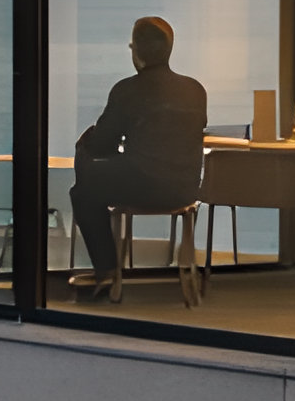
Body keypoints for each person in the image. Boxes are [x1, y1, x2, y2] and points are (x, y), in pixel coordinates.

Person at [68, 17, 207, 297]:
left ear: (137, 52)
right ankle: (109, 271)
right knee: (95, 180)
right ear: (169, 49)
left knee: (83, 190)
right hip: (185, 188)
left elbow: (102, 147)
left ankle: (106, 269)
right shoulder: (195, 90)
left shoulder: (127, 90)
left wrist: (86, 146)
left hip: (144, 185)